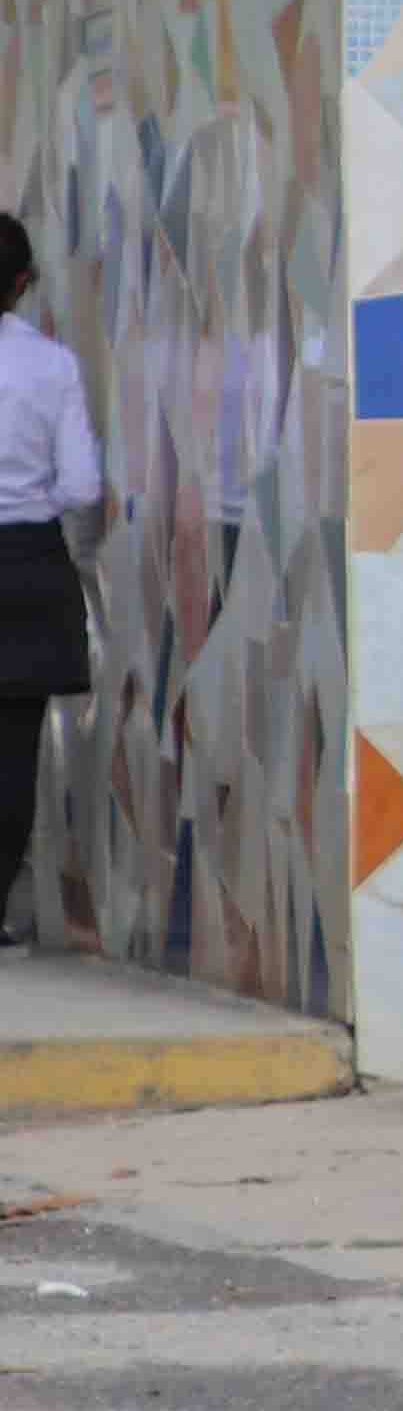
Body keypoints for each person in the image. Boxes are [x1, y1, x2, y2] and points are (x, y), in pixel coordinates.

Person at [0, 213, 97, 951]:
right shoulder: (53, 365)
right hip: (29, 563)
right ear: (24, 283)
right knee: (14, 746)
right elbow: (83, 485)